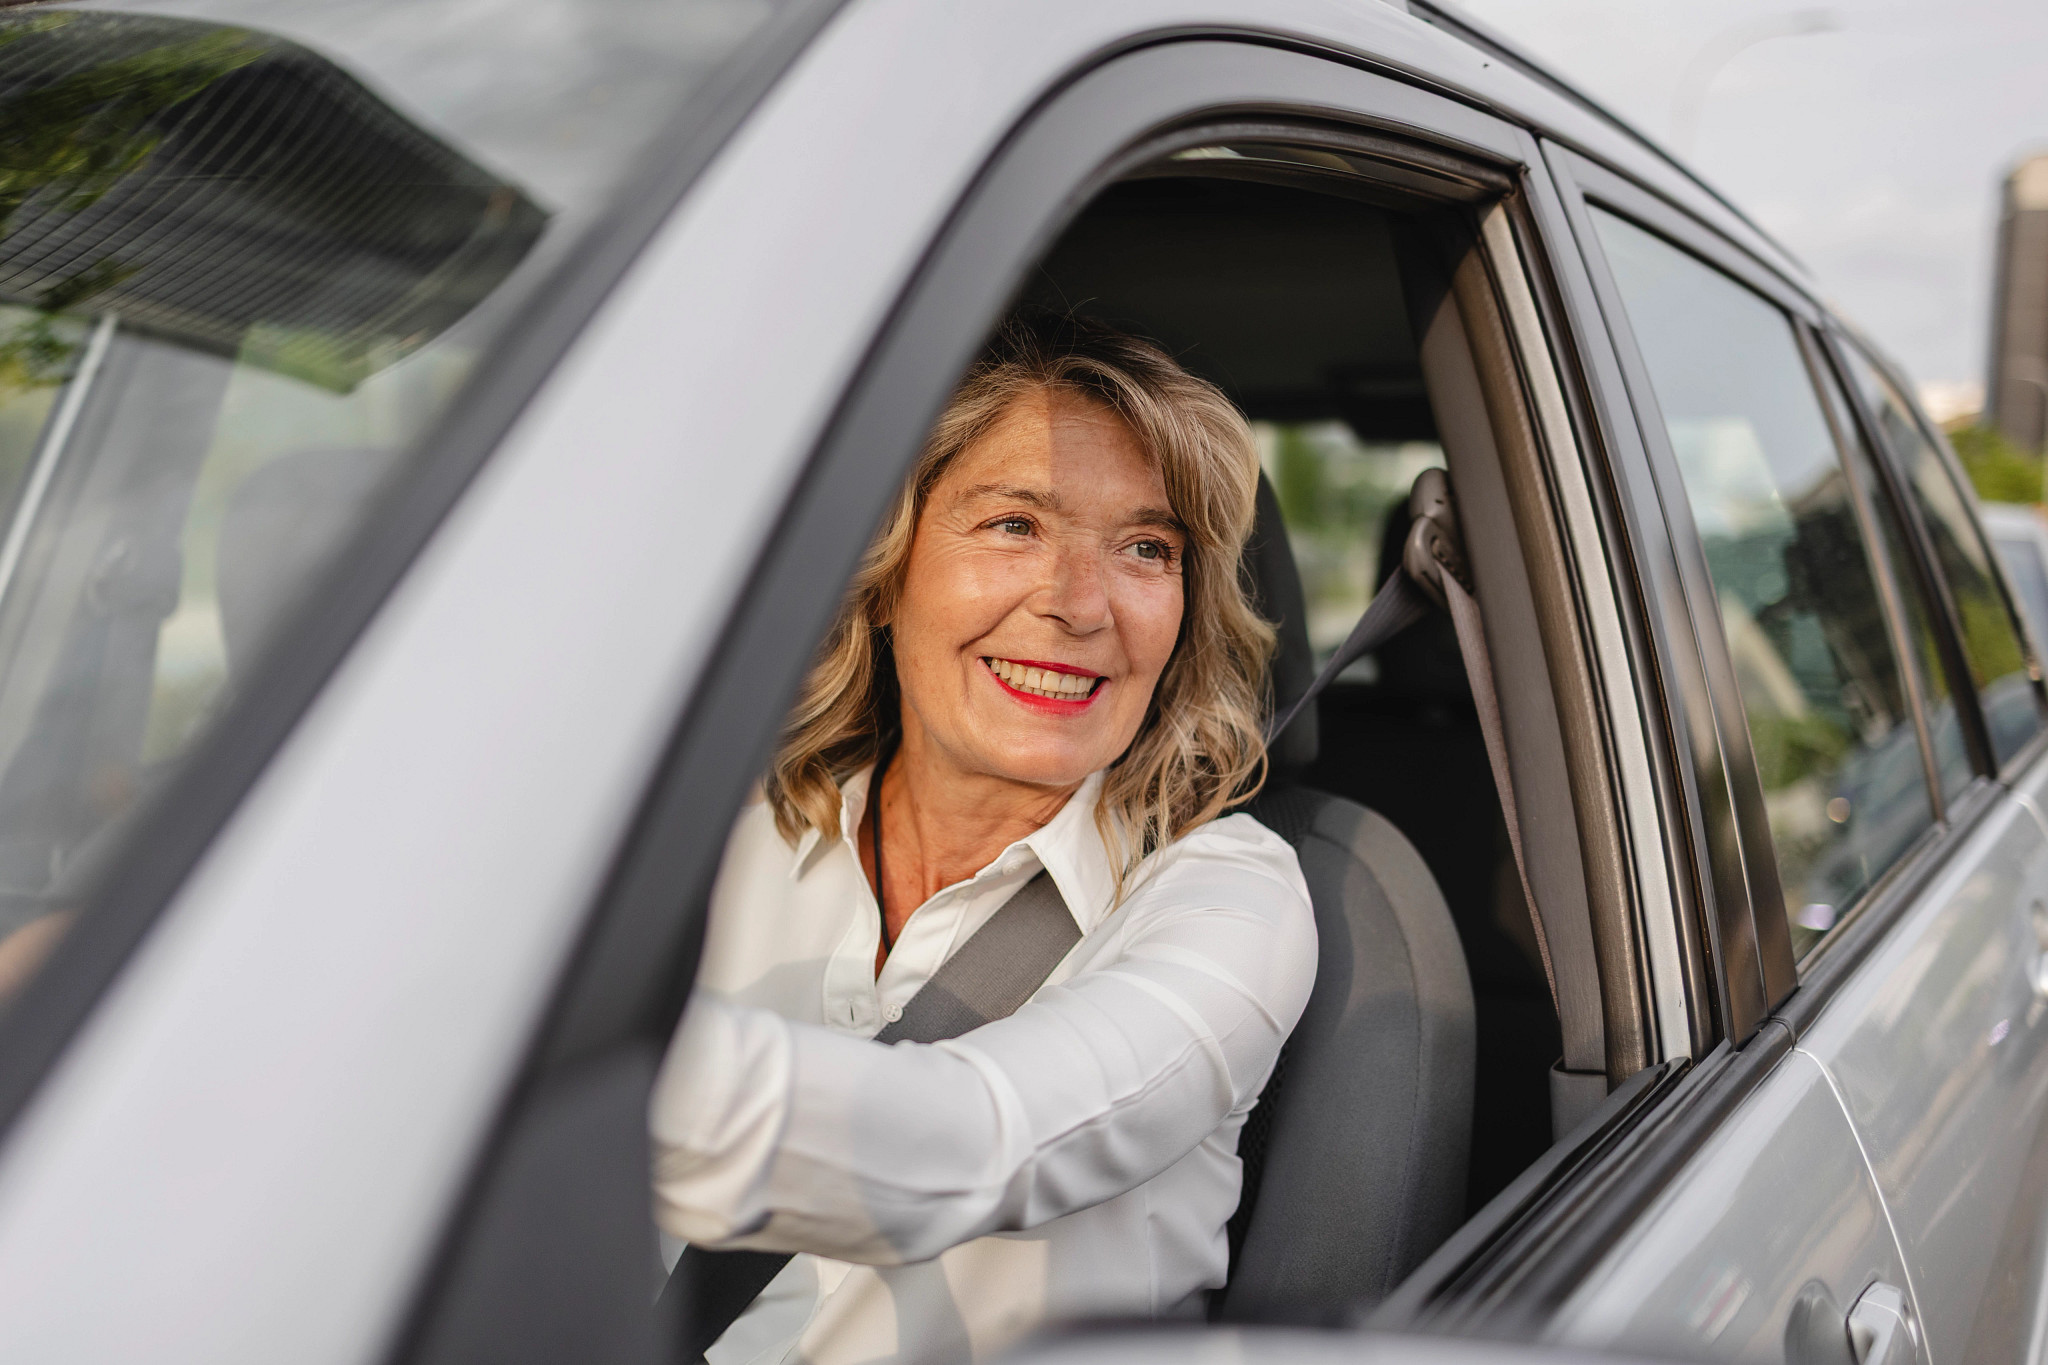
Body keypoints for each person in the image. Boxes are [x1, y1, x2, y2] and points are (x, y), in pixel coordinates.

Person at [650, 311, 1317, 1365]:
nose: (1079, 605)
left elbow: (971, 1143)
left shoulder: (1230, 900)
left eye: (1146, 548)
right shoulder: (723, 842)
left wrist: (531, 1076)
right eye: (1014, 525)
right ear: (884, 572)